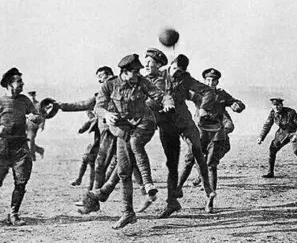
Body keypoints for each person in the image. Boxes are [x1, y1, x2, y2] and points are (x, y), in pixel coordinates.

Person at [94, 54, 175, 229]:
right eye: (134, 71)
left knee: (135, 143)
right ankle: (128, 213)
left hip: (145, 123)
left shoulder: (141, 82)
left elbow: (161, 95)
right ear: (124, 72)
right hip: (123, 129)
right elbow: (98, 107)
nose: (138, 74)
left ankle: (148, 183)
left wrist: (168, 103)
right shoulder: (109, 85)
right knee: (123, 171)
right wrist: (107, 115)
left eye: (139, 71)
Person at [0, 67, 42, 226]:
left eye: (22, 81)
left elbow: (37, 117)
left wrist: (35, 118)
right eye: (19, 81)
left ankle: (13, 214)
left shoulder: (25, 100)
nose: (23, 84)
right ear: (9, 84)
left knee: (21, 182)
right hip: (1, 149)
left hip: (20, 148)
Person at [156, 54, 217, 218]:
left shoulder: (186, 78)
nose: (176, 73)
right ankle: (172, 202)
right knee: (172, 163)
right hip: (166, 124)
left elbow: (208, 91)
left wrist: (204, 107)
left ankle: (209, 190)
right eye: (175, 69)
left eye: (180, 71)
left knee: (198, 152)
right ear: (171, 65)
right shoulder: (158, 75)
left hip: (184, 121)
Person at [178, 68, 245, 212]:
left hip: (216, 134)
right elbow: (181, 95)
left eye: (213, 80)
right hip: (200, 133)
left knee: (211, 165)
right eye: (208, 80)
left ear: (217, 81)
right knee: (189, 160)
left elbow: (236, 103)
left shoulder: (221, 94)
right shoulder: (198, 93)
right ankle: (177, 189)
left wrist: (237, 106)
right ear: (204, 81)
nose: (211, 82)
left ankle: (210, 201)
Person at [257, 98, 297, 179]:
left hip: (294, 132)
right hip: (282, 133)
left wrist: (296, 135)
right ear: (272, 106)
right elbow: (267, 125)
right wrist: (261, 137)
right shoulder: (272, 114)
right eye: (274, 105)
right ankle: (270, 172)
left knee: (296, 151)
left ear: (282, 105)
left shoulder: (290, 112)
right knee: (272, 149)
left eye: (278, 105)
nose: (276, 107)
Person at [26, 91, 45, 161]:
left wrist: (41, 125)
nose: (31, 98)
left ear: (35, 96)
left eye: (33, 96)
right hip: (25, 125)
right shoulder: (25, 105)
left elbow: (43, 115)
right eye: (30, 96)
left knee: (30, 140)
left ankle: (31, 158)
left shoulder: (38, 105)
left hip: (34, 126)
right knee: (26, 141)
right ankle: (40, 150)